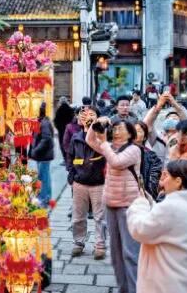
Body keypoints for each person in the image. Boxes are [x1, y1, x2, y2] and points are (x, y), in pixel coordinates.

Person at [126, 159, 187, 293]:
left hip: (167, 284)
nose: (162, 182)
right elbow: (166, 225)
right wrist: (151, 203)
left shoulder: (171, 207)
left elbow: (139, 229)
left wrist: (140, 203)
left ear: (178, 181)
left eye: (166, 176)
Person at [87, 118, 141, 293]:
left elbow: (116, 162)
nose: (115, 131)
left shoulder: (134, 150)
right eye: (114, 128)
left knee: (130, 252)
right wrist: (96, 123)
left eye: (120, 129)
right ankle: (122, 288)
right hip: (111, 203)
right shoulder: (110, 147)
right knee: (116, 253)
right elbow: (90, 140)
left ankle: (134, 289)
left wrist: (104, 143)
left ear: (130, 133)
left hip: (128, 205)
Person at [67, 106, 106, 259]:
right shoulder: (76, 137)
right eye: (84, 114)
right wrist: (72, 175)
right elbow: (70, 157)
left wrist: (99, 126)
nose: (87, 116)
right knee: (78, 215)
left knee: (100, 217)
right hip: (79, 182)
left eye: (92, 114)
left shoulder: (102, 136)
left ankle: (99, 245)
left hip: (98, 183)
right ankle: (78, 242)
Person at [29, 102, 54, 207]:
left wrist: (36, 150)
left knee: (43, 177)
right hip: (42, 155)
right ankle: (45, 198)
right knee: (44, 176)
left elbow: (46, 138)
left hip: (44, 155)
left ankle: (44, 199)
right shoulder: (40, 121)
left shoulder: (44, 123)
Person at [54, 96, 75, 165]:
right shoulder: (71, 110)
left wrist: (59, 128)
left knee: (62, 145)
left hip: (62, 131)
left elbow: (56, 121)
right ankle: (70, 159)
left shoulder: (59, 110)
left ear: (60, 102)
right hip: (70, 131)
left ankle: (65, 160)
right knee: (70, 144)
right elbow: (73, 120)